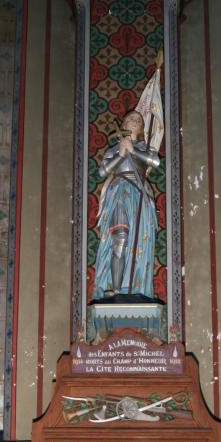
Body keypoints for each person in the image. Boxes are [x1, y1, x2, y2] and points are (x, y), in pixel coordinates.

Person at [92, 110, 159, 300]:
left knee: (139, 241)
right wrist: (121, 154)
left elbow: (155, 161)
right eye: (129, 118)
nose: (133, 121)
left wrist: (134, 150)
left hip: (139, 194)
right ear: (122, 124)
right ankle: (115, 288)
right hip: (120, 191)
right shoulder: (113, 149)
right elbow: (103, 172)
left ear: (142, 128)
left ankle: (134, 287)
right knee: (120, 237)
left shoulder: (145, 148)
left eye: (137, 120)